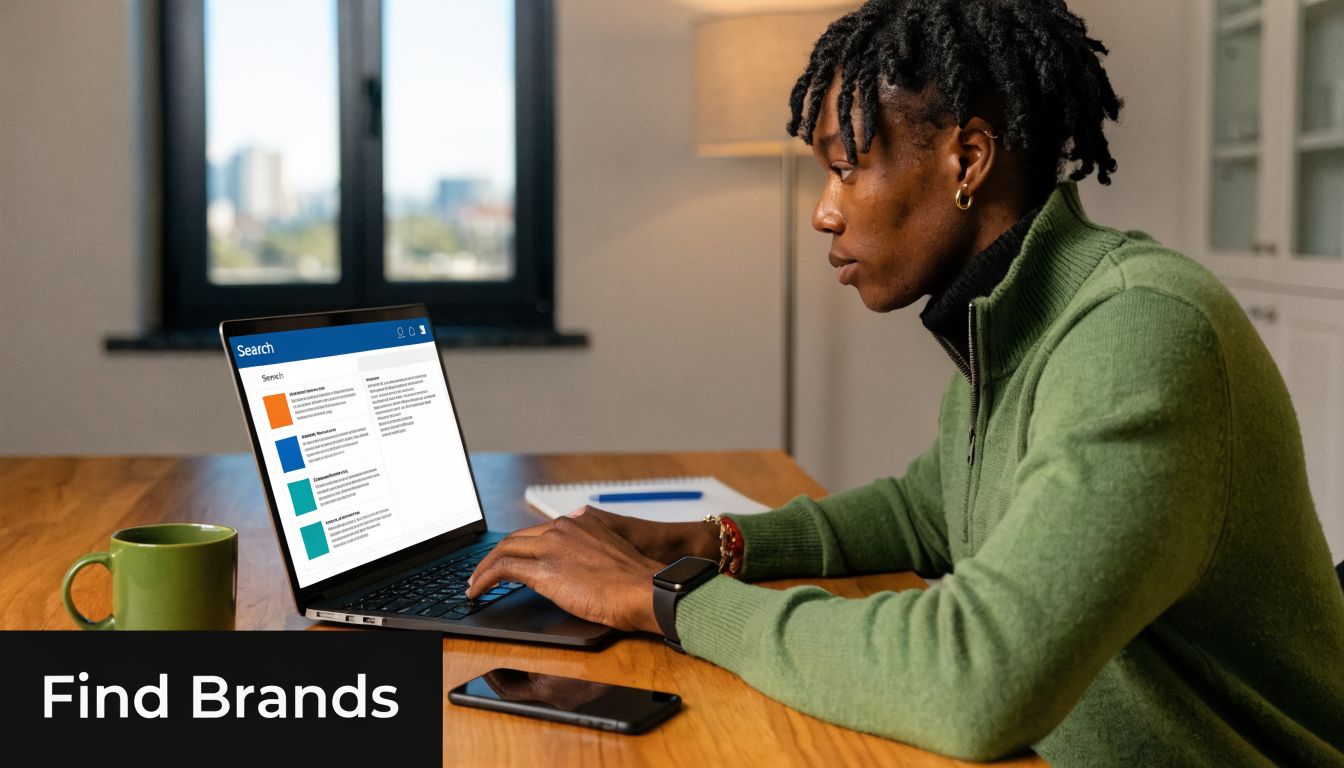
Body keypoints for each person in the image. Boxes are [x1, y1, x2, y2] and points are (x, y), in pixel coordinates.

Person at [468, 0, 1344, 763]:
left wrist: (669, 601)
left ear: (967, 160)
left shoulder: (1140, 331)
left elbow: (975, 678)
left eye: (845, 166)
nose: (824, 209)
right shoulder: (1012, 320)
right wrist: (707, 543)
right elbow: (929, 511)